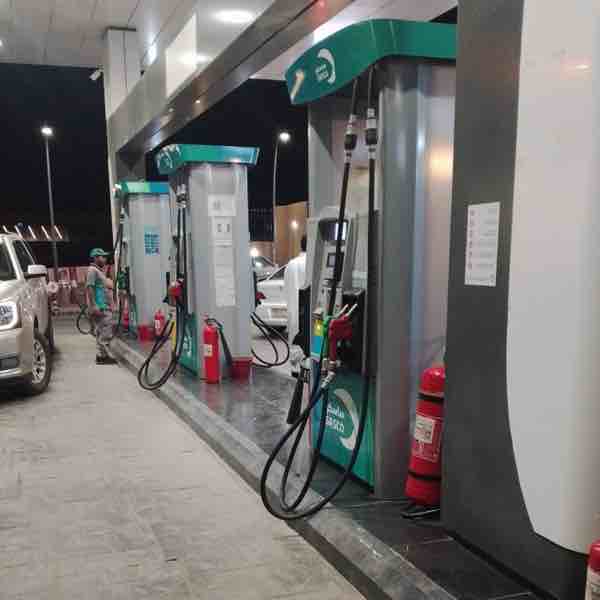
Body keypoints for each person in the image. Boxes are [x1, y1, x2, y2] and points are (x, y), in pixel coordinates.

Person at [86, 248, 118, 365]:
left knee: (101, 330)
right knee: (106, 331)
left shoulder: (98, 271)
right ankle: (103, 356)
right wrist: (94, 305)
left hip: (102, 306)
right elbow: (89, 287)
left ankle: (101, 356)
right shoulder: (92, 270)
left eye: (105, 257)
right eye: (102, 257)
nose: (104, 259)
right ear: (95, 258)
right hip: (100, 307)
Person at [284, 234, 307, 346]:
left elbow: (287, 292)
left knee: (295, 350)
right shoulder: (314, 263)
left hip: (294, 319)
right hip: (311, 321)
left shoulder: (291, 264)